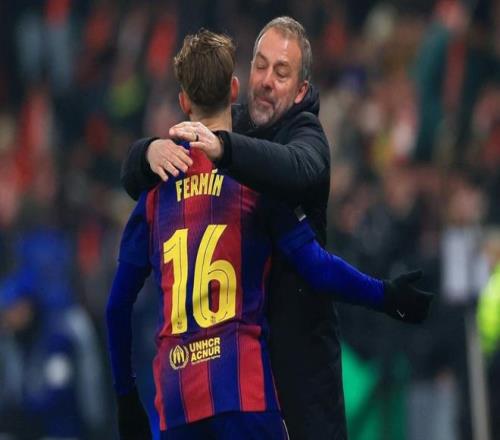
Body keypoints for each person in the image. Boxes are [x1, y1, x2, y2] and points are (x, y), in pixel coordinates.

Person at [109, 29, 433, 440]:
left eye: (280, 71)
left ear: (183, 101)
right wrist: (386, 295)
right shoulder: (253, 181)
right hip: (243, 395)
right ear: (234, 88)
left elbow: (116, 307)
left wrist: (125, 397)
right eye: (262, 66)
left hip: (177, 403)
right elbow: (317, 267)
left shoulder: (154, 195)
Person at [121, 17, 347, 440]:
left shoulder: (305, 135)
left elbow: (297, 168)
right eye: (261, 66)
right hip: (240, 377)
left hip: (301, 373)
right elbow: (134, 177)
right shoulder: (229, 126)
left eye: (281, 73)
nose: (267, 81)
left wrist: (225, 148)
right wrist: (148, 152)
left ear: (301, 90)